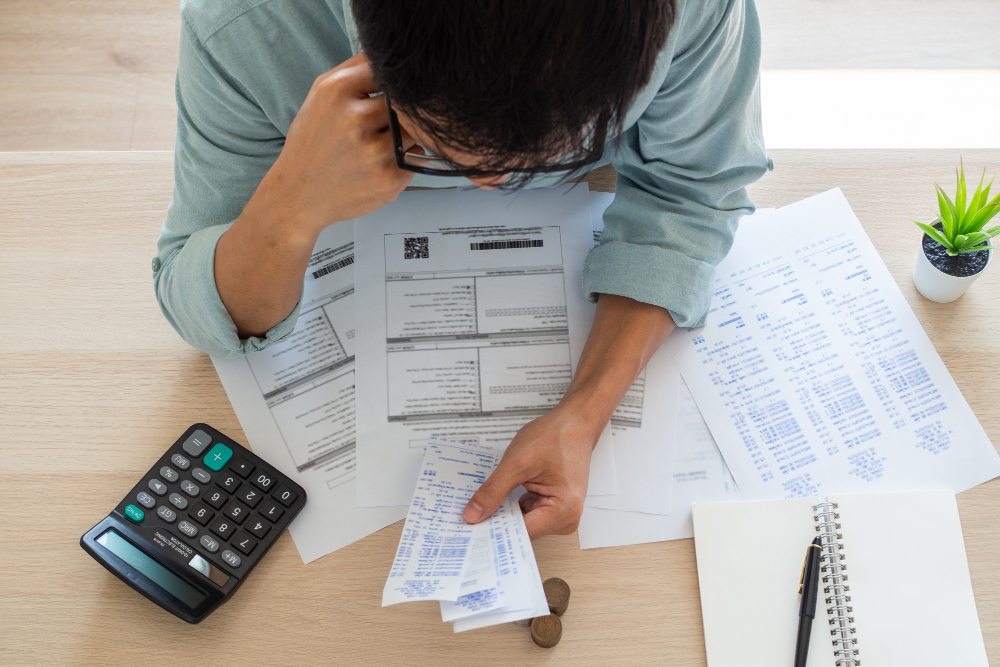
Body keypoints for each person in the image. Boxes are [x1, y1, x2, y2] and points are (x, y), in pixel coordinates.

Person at [154, 0, 768, 539]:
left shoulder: (693, 10)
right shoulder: (242, 24)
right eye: (432, 145)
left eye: (543, 158)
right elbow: (202, 308)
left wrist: (581, 415)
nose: (492, 184)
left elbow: (690, 193)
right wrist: (292, 204)